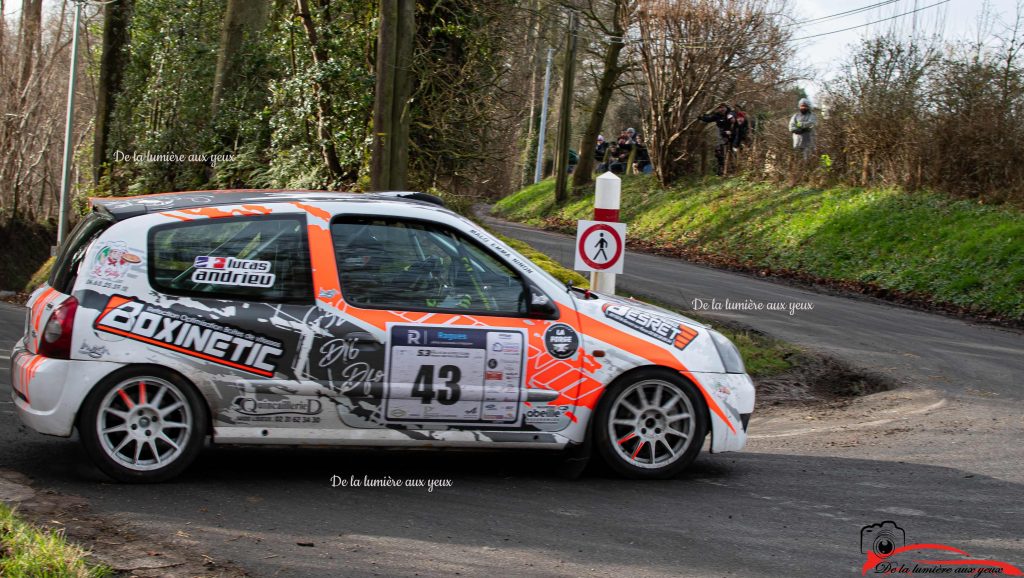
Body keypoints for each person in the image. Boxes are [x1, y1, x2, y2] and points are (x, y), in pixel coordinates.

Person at [699, 103, 736, 175]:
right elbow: (708, 119)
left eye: (723, 107)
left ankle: (732, 168)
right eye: (720, 108)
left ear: (726, 107)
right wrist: (701, 117)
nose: (722, 109)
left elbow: (734, 121)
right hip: (721, 135)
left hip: (731, 135)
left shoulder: (730, 113)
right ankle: (721, 170)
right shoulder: (717, 115)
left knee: (731, 151)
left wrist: (731, 131)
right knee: (719, 152)